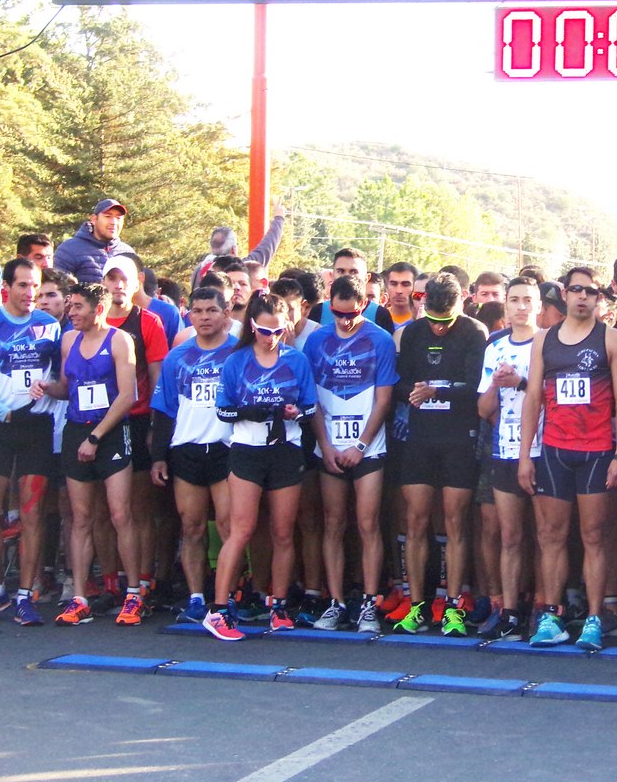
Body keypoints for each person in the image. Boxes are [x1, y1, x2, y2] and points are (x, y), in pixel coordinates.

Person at [519, 267, 617, 651]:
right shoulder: (543, 340)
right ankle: (551, 616)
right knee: (550, 536)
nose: (583, 297)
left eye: (591, 291)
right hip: (554, 450)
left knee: (594, 538)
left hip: (597, 451)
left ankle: (594, 618)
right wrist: (525, 455)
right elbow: (533, 398)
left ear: (600, 298)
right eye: (577, 290)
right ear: (565, 294)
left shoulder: (612, 339)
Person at [205, 293, 317, 641]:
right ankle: (219, 609)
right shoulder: (236, 361)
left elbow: (311, 408)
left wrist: (294, 412)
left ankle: (279, 605)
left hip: (285, 449)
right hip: (247, 450)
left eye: (278, 331)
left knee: (283, 531)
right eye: (264, 331)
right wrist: (246, 412)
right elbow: (222, 410)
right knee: (242, 530)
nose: (271, 338)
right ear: (252, 326)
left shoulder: (296, 360)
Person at [32, 283, 142, 627]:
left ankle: (134, 593)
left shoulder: (120, 340)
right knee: (80, 518)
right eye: (70, 306)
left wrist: (96, 437)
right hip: (77, 429)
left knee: (119, 514)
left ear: (98, 309)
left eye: (78, 306)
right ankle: (80, 596)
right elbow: (68, 388)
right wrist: (48, 388)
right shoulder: (69, 340)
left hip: (107, 432)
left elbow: (128, 395)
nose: (72, 313)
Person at [0, 258, 62, 626]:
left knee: (33, 513)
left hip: (36, 426)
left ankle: (25, 594)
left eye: (35, 286)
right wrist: (2, 412)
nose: (30, 293)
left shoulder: (49, 326)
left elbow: (63, 379)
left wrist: (53, 391)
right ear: (7, 287)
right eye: (23, 285)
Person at [392, 273, 488, 636]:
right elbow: (397, 383)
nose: (438, 329)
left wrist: (438, 390)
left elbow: (478, 385)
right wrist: (413, 392)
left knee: (455, 521)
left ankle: (453, 606)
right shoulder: (413, 333)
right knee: (415, 521)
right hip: (421, 437)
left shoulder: (473, 332)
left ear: (460, 305)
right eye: (432, 320)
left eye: (445, 322)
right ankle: (416, 605)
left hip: (458, 438)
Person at [303, 275, 398, 633]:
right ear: (329, 305)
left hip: (367, 446)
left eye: (352, 314)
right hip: (328, 443)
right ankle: (336, 601)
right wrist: (326, 446)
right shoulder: (316, 340)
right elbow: (310, 399)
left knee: (368, 524)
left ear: (364, 306)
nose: (344, 321)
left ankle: (369, 605)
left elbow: (384, 399)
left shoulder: (379, 339)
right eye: (338, 314)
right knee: (333, 523)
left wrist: (360, 446)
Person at [149, 286, 238, 624]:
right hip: (186, 449)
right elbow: (164, 410)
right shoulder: (177, 356)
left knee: (230, 527)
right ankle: (197, 597)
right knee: (192, 526)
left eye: (211, 311)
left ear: (225, 313)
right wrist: (159, 456)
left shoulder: (238, 352)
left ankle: (227, 596)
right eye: (198, 311)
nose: (204, 317)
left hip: (227, 449)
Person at [477, 276, 543, 640]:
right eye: (514, 300)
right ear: (505, 307)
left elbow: (553, 397)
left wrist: (520, 382)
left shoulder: (549, 342)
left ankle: (544, 608)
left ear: (537, 305)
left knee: (547, 536)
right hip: (505, 449)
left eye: (527, 300)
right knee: (510, 536)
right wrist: (496, 383)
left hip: (544, 450)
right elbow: (483, 408)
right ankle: (510, 611)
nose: (520, 307)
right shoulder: (495, 348)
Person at [102, 256, 170, 609]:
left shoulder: (149, 322)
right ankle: (111, 581)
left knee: (141, 508)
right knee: (107, 510)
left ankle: (143, 580)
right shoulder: (93, 322)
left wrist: (156, 428)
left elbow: (158, 379)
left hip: (139, 419)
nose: (117, 285)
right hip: (98, 423)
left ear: (135, 282)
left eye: (123, 279)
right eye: (111, 279)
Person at [309, 249, 396, 332]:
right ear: (332, 275)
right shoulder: (318, 311)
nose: (346, 276)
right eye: (340, 271)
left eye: (353, 272)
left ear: (366, 278)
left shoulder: (380, 314)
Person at [52, 198, 135, 284]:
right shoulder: (69, 250)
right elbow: (58, 289)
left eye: (118, 218)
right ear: (94, 219)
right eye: (108, 216)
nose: (113, 222)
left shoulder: (128, 253)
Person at [385, 262, 420, 330]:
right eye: (393, 284)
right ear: (386, 286)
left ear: (415, 287)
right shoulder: (379, 318)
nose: (399, 291)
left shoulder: (422, 320)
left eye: (405, 284)